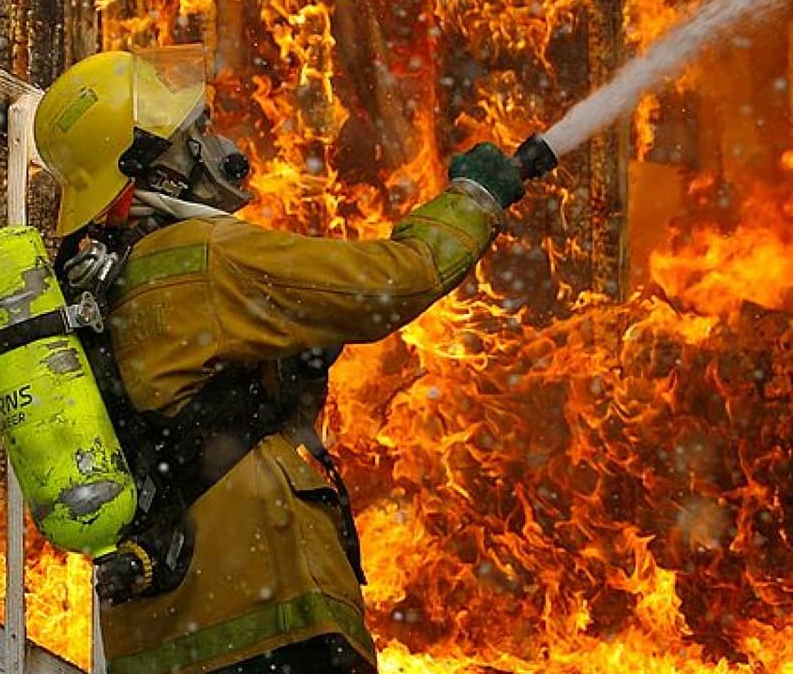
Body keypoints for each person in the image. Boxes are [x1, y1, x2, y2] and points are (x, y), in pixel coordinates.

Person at [32, 46, 529, 674]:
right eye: (198, 132)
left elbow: (188, 419)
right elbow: (396, 280)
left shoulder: (94, 294)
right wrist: (474, 198)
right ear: (157, 168)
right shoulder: (204, 255)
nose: (217, 145)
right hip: (271, 624)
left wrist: (294, 369)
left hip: (161, 645)